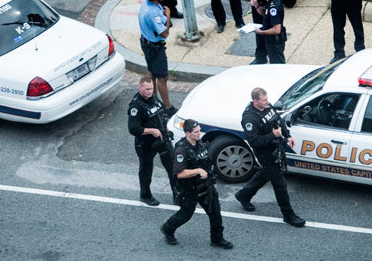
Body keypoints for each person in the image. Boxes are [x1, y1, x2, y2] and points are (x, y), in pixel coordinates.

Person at [235, 88, 305, 228]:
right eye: (264, 100)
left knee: (266, 174)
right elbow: (254, 141)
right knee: (280, 183)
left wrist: (287, 135)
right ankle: (288, 215)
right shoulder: (249, 118)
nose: (267, 102)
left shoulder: (267, 107)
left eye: (267, 99)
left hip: (275, 147)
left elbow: (279, 121)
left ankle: (244, 195)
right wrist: (273, 135)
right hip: (264, 152)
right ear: (255, 101)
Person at [160, 119, 233, 249]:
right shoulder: (181, 150)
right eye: (196, 132)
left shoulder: (198, 142)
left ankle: (217, 239)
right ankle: (168, 229)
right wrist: (197, 171)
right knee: (185, 215)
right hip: (191, 189)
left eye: (199, 131)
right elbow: (179, 173)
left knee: (215, 213)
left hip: (206, 186)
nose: (199, 134)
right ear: (187, 133)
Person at [127, 76, 178, 206]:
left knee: (173, 167)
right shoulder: (136, 106)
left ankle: (178, 194)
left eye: (151, 88)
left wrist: (165, 126)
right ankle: (145, 195)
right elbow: (133, 129)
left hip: (161, 139)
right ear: (140, 88)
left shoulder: (153, 98)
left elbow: (161, 112)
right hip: (145, 144)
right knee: (146, 170)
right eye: (147, 89)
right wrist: (152, 131)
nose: (150, 91)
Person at [138, 0, 177, 116]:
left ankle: (153, 101)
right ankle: (167, 108)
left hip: (146, 43)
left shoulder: (147, 5)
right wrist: (168, 15)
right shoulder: (152, 13)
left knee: (152, 73)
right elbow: (164, 33)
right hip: (155, 48)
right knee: (162, 77)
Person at [252, 0, 287, 64]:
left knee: (277, 65)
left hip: (275, 42)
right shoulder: (270, 2)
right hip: (270, 40)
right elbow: (265, 15)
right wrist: (256, 5)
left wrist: (260, 32)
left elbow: (276, 29)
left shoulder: (273, 7)